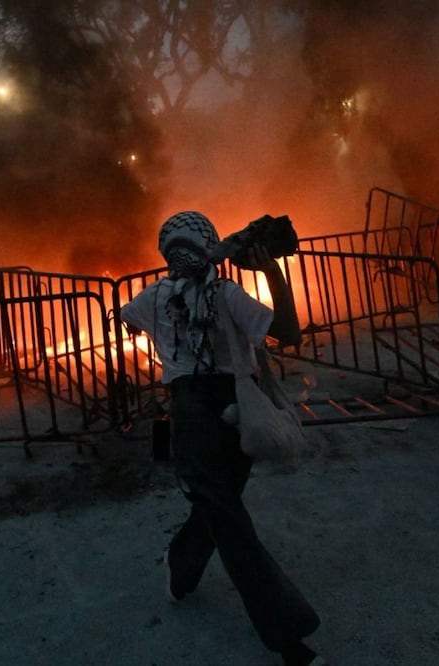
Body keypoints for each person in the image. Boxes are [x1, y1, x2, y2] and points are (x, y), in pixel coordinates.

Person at [119, 210, 322, 666]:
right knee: (233, 528)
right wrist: (271, 271)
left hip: (216, 415)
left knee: (218, 508)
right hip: (219, 411)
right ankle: (289, 639)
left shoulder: (157, 296)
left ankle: (181, 567)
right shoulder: (224, 294)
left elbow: (126, 319)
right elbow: (288, 332)